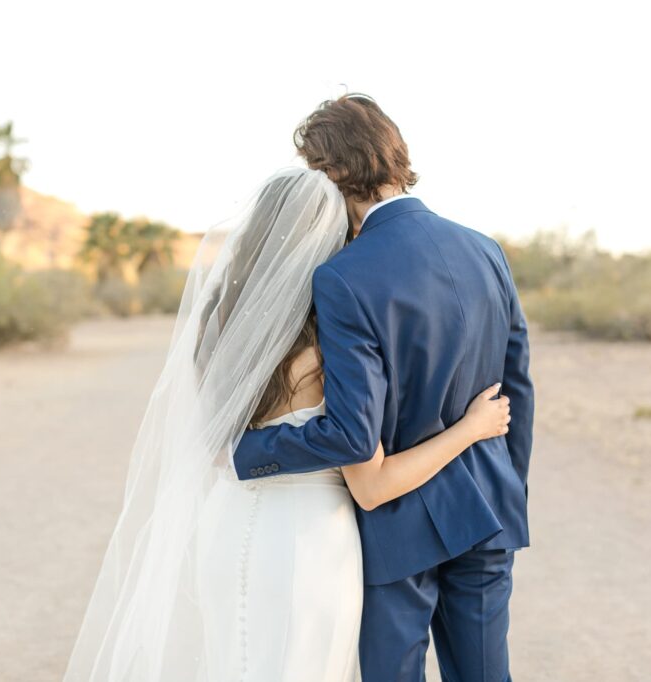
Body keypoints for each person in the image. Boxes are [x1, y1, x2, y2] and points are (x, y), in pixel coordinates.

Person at [63, 165, 511, 682]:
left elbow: (217, 441)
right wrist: (471, 428)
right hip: (309, 541)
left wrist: (241, 454)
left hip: (226, 526)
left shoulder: (220, 323)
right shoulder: (332, 338)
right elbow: (373, 480)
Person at [233, 94, 535, 681]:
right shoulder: (485, 250)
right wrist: (508, 487)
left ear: (336, 172)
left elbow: (351, 431)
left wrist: (248, 451)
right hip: (491, 504)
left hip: (397, 523)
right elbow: (515, 388)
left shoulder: (343, 275)